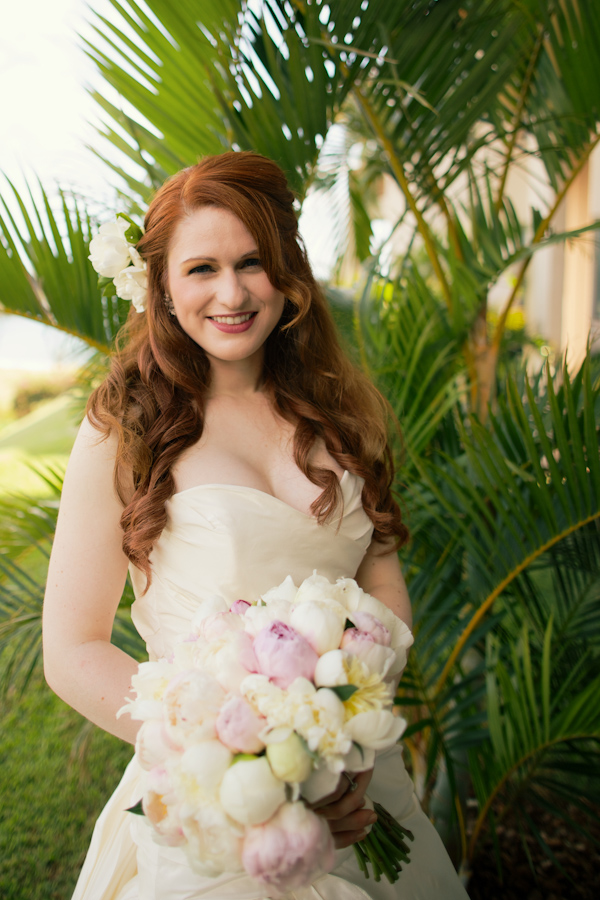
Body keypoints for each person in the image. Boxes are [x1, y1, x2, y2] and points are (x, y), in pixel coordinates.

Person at [43, 151, 469, 900]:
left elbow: (379, 586)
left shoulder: (341, 412)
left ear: (288, 274)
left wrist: (338, 740)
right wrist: (243, 763)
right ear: (164, 288)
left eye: (252, 263)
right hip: (217, 800)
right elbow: (73, 648)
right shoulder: (126, 427)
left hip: (360, 787)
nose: (232, 292)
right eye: (202, 268)